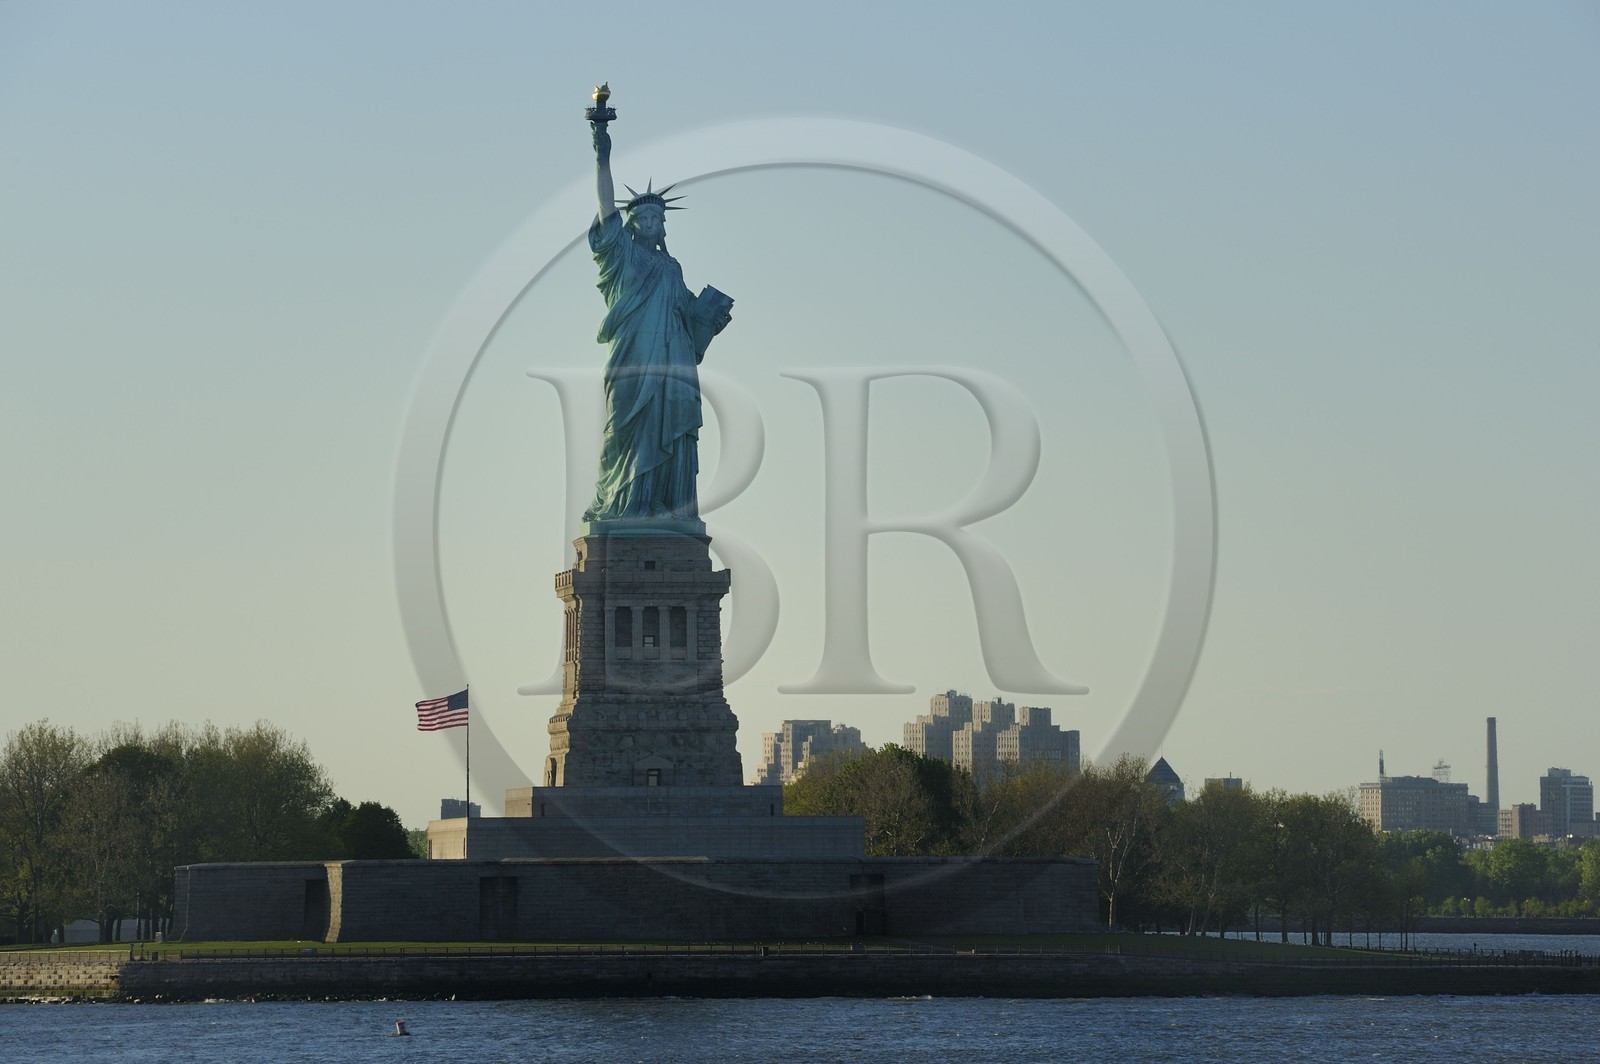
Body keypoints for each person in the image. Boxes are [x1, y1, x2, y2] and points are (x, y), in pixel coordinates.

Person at [582, 118, 732, 525]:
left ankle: (665, 508)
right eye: (643, 219)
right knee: (623, 432)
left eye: (657, 220)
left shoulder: (671, 267)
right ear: (631, 225)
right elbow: (606, 206)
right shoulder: (622, 258)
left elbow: (688, 321)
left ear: (663, 225)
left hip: (673, 364)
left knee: (672, 432)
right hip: (632, 357)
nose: (650, 224)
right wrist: (603, 155)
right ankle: (623, 505)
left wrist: (709, 321)